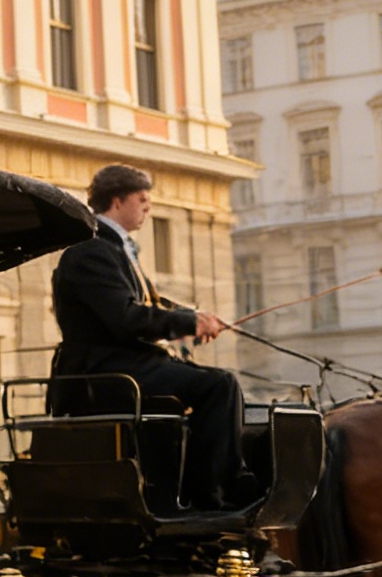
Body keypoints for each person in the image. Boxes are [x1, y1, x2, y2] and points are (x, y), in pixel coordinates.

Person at [50, 163, 247, 511]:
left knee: (213, 382)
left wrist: (195, 318)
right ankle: (214, 492)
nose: (148, 207)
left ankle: (199, 484)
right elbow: (125, 317)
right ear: (117, 201)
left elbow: (146, 304)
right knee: (220, 386)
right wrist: (188, 322)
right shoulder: (92, 251)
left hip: (124, 365)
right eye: (141, 199)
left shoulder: (113, 248)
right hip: (104, 371)